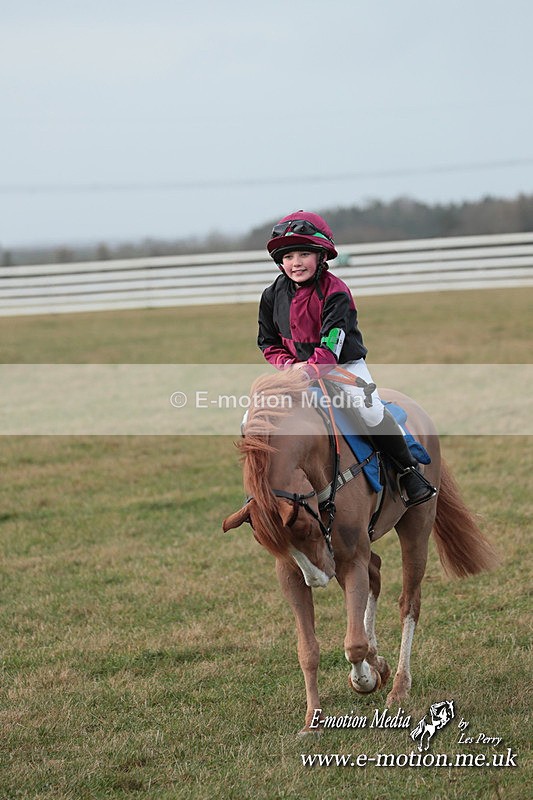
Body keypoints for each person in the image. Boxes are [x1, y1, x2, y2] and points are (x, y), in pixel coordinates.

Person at [257, 210, 436, 507]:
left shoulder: (336, 292)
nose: (296, 262)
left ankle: (408, 471)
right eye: (288, 256)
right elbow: (267, 342)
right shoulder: (271, 295)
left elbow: (330, 349)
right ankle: (263, 489)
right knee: (255, 418)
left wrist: (306, 372)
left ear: (321, 256)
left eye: (304, 254)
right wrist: (290, 367)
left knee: (370, 412)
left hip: (342, 367)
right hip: (294, 372)